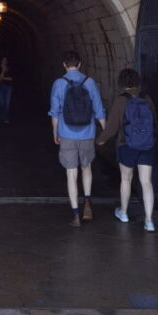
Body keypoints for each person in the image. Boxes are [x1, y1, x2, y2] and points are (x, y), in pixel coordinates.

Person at [49, 50, 106, 227]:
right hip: (87, 132)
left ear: (64, 65)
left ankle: (75, 214)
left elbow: (55, 112)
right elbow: (99, 109)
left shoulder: (59, 83)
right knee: (86, 167)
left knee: (71, 173)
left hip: (67, 133)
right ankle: (87, 202)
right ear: (80, 64)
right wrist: (106, 131)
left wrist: (55, 132)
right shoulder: (89, 82)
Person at [97, 66, 157, 231]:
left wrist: (101, 140)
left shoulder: (121, 100)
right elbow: (154, 123)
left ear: (121, 82)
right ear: (137, 82)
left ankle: (123, 212)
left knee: (126, 180)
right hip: (147, 145)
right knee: (146, 182)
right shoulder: (147, 98)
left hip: (127, 145)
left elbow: (112, 127)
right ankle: (149, 221)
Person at [0, 56, 14, 124]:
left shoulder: (10, 69)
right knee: (2, 103)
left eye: (5, 60)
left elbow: (11, 78)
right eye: (3, 60)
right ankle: (2, 115)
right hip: (1, 87)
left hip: (8, 87)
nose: (4, 62)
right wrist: (3, 70)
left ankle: (6, 117)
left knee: (7, 103)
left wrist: (3, 78)